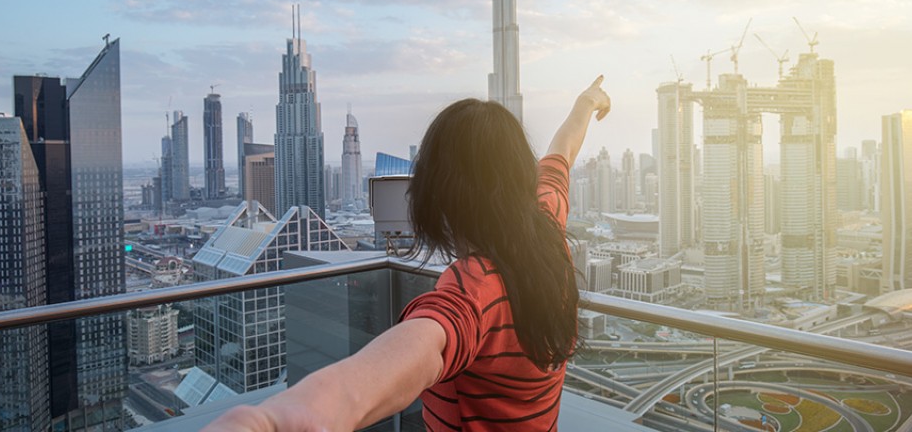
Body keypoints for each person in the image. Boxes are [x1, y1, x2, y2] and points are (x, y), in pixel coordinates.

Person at [201, 76, 611, 432]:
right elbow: (562, 153)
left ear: (441, 194)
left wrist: (282, 417)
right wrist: (587, 102)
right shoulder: (547, 226)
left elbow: (421, 346)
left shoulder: (475, 287)